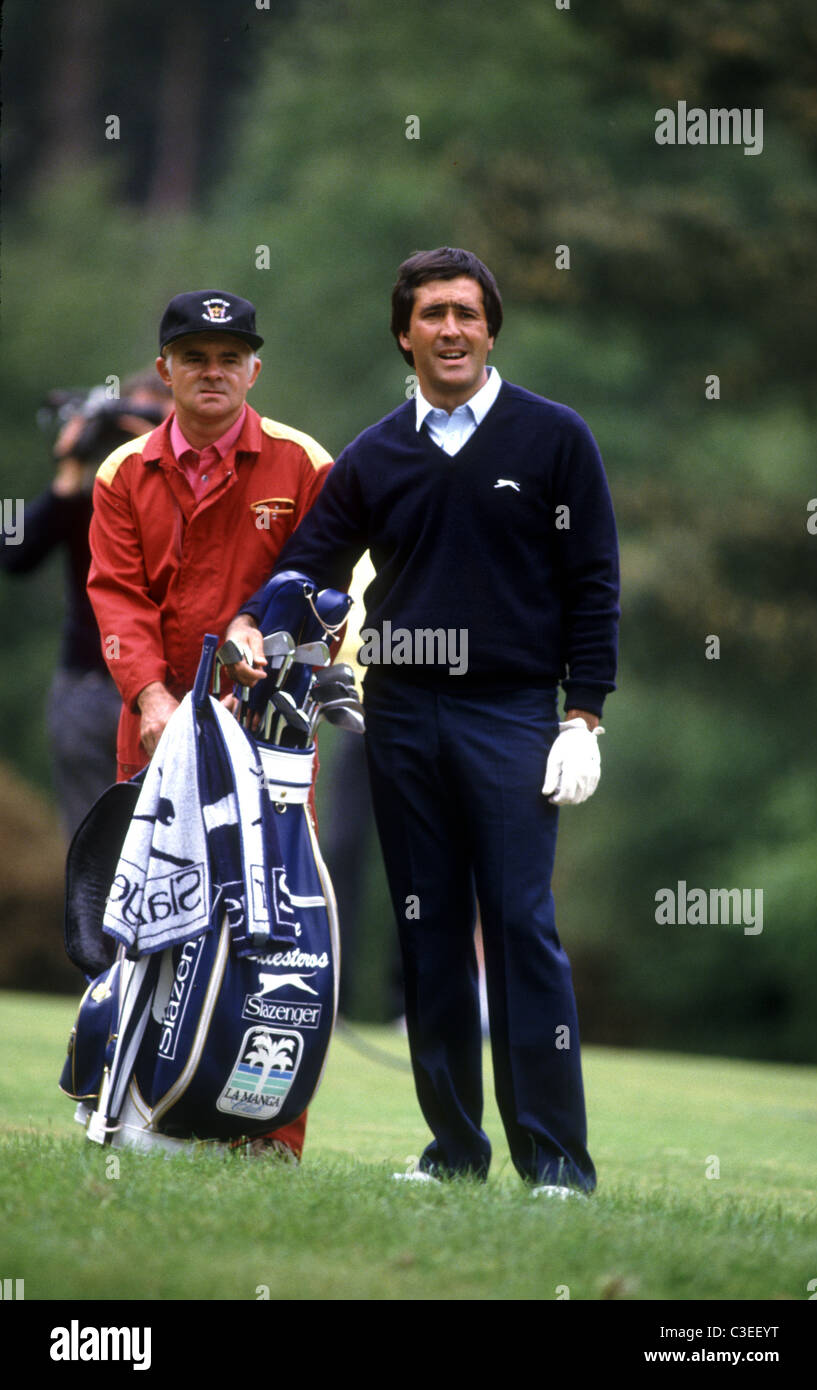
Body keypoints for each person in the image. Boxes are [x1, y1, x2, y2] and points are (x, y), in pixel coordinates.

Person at [225, 248, 620, 1195]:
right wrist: (251, 621)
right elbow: (310, 568)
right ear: (404, 334)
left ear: (491, 329)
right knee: (427, 933)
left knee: (520, 928)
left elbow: (593, 585)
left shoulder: (554, 438)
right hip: (399, 714)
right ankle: (453, 1152)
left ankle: (556, 1164)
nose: (451, 330)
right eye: (432, 314)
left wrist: (583, 715)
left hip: (512, 715)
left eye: (467, 314)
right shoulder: (374, 455)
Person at [87, 289, 334, 1162]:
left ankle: (266, 1136)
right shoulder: (121, 471)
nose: (213, 371)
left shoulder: (303, 462)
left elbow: (329, 585)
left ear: (254, 368)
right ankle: (133, 1113)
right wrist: (152, 697)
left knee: (273, 929)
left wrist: (265, 660)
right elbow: (116, 596)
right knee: (144, 921)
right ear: (165, 371)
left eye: (230, 357)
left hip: (268, 734)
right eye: (194, 356)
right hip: (153, 732)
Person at [0, 371, 171, 839]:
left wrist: (159, 459)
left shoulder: (191, 494)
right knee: (93, 847)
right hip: (88, 688)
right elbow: (13, 552)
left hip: (167, 691)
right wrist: (69, 470)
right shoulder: (91, 496)